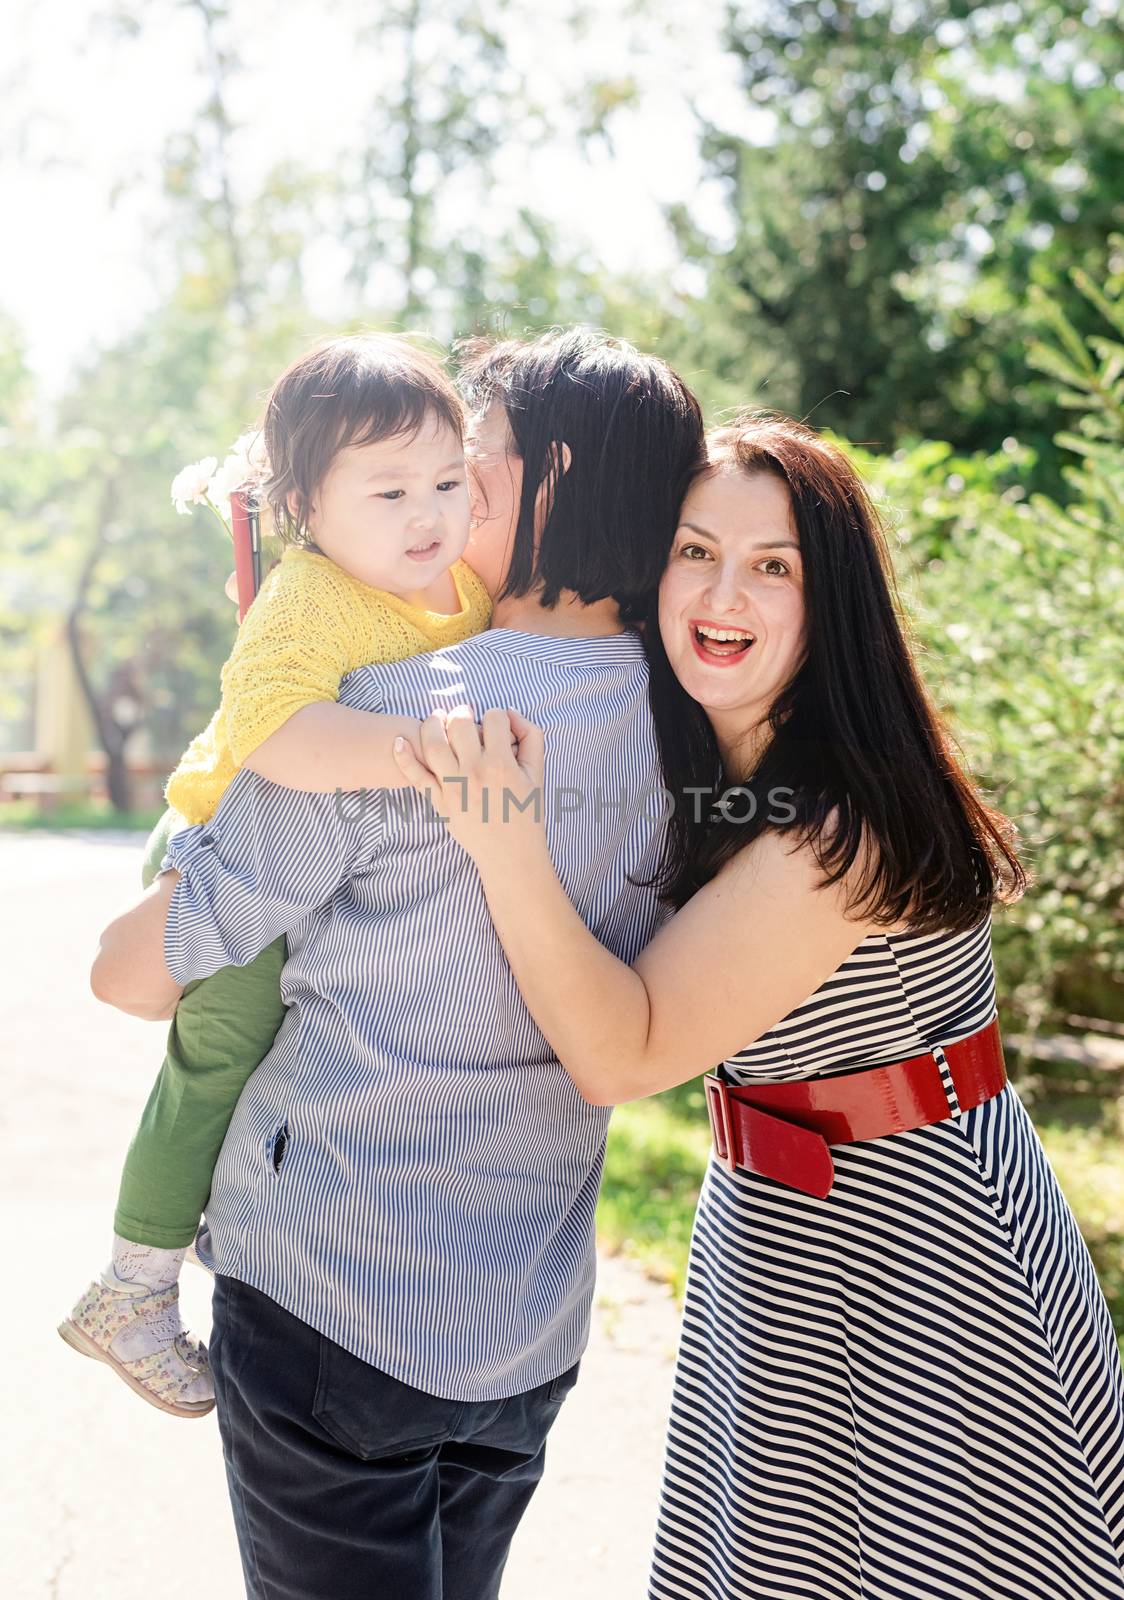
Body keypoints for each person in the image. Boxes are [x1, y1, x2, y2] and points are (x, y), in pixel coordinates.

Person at [393, 414, 1124, 1600]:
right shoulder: (697, 766)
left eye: (770, 565)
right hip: (774, 1229)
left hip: (930, 1254)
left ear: (826, 597)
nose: (722, 590)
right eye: (694, 551)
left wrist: (502, 836)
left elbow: (620, 1054)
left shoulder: (839, 828)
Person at [88, 328, 706, 1600]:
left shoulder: (402, 711)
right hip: (527, 1318)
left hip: (333, 1287)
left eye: (467, 464)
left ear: (544, 478)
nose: (440, 497)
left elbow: (131, 975)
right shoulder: (697, 733)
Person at [61, 332, 491, 1417]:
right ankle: (133, 1282)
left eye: (447, 479)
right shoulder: (307, 600)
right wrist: (431, 755)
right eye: (387, 489)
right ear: (305, 503)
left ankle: (224, 1219)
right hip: (217, 842)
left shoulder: (456, 581)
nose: (425, 512)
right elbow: (272, 734)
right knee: (220, 1056)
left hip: (297, 859)